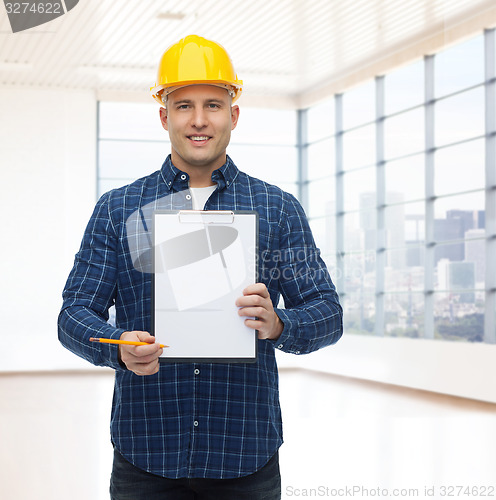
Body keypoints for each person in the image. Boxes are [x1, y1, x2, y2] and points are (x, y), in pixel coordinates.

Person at [58, 34, 343, 500]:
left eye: (213, 104)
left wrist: (278, 323)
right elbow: (73, 315)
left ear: (233, 114)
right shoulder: (119, 208)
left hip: (245, 456)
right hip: (145, 452)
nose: (198, 120)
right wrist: (117, 347)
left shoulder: (277, 209)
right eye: (183, 104)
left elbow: (328, 313)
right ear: (163, 115)